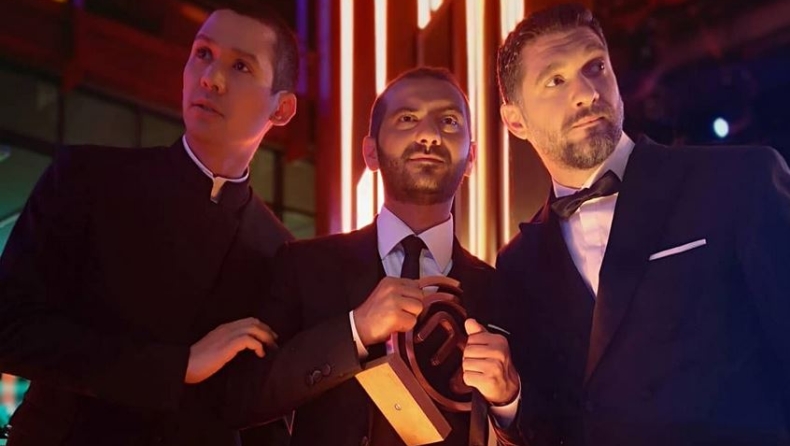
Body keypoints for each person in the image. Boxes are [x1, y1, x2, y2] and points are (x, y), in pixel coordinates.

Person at [0, 6, 298, 446]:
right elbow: (10, 328)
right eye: (202, 54)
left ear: (282, 108)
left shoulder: (280, 252)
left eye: (240, 66)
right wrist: (178, 366)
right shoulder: (86, 179)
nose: (211, 78)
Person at [493, 3, 790, 445]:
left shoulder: (739, 182)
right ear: (515, 121)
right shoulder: (519, 264)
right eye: (555, 80)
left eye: (595, 67)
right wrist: (508, 401)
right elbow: (551, 422)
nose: (586, 92)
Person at [223, 67, 524, 446]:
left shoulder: (504, 291)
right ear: (370, 152)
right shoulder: (304, 267)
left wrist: (507, 402)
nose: (429, 135)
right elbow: (240, 398)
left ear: (471, 158)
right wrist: (354, 330)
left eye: (448, 121)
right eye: (407, 118)